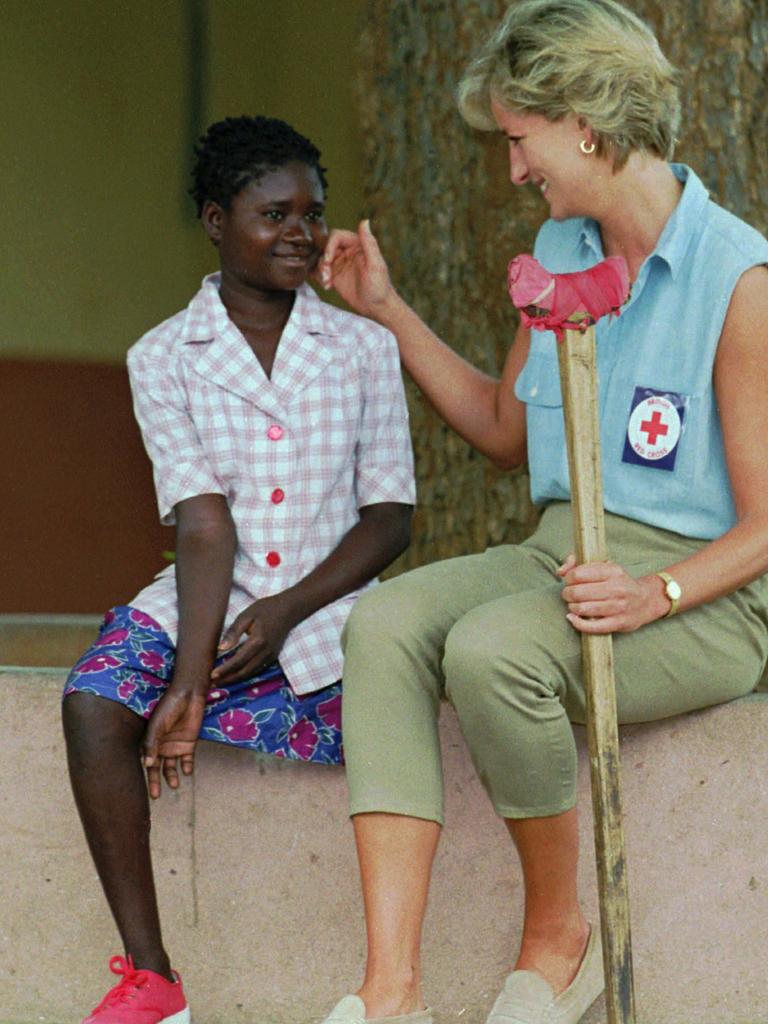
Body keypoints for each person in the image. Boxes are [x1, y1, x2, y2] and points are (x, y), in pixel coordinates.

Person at [317, 1, 768, 1022]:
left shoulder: (738, 281)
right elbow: (503, 426)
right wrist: (386, 309)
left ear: (586, 125)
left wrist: (655, 593)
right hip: (562, 555)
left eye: (521, 140)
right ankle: (390, 989)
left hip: (706, 594)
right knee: (382, 622)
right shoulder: (561, 244)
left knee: (492, 653)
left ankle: (560, 940)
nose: (514, 167)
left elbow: (766, 526)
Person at [62, 114, 415, 1024]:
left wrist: (291, 608)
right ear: (217, 221)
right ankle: (152, 980)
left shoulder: (363, 350)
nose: (299, 233)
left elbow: (391, 519)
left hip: (327, 602)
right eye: (273, 214)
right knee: (95, 702)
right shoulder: (161, 357)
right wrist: (185, 685)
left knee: (362, 713)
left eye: (312, 213)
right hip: (206, 595)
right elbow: (205, 528)